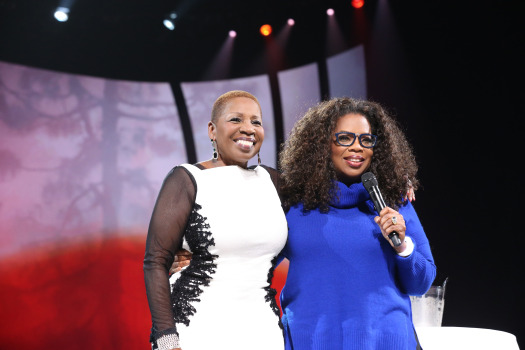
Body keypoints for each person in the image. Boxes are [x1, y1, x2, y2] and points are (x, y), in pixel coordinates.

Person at [278, 97, 436, 350]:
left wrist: (402, 246)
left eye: (366, 140)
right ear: (322, 145)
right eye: (344, 138)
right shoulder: (293, 206)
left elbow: (421, 284)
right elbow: (254, 265)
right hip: (311, 342)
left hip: (386, 342)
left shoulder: (394, 202)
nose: (357, 147)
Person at [143, 90, 287, 350]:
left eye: (256, 122)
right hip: (197, 330)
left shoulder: (272, 181)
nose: (248, 128)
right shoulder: (186, 179)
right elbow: (155, 260)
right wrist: (166, 340)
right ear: (212, 130)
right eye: (236, 120)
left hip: (262, 330)